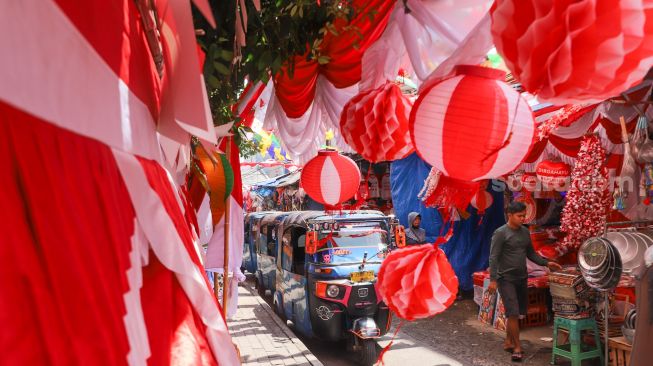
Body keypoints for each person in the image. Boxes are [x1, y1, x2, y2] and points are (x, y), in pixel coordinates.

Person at [488, 201, 561, 362]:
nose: (523, 218)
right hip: (505, 279)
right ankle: (517, 347)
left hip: (522, 278)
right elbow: (493, 257)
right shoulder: (500, 233)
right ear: (510, 215)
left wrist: (547, 263)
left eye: (524, 215)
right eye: (520, 216)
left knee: (517, 313)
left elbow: (531, 254)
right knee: (513, 312)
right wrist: (493, 279)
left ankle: (508, 341)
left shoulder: (525, 232)